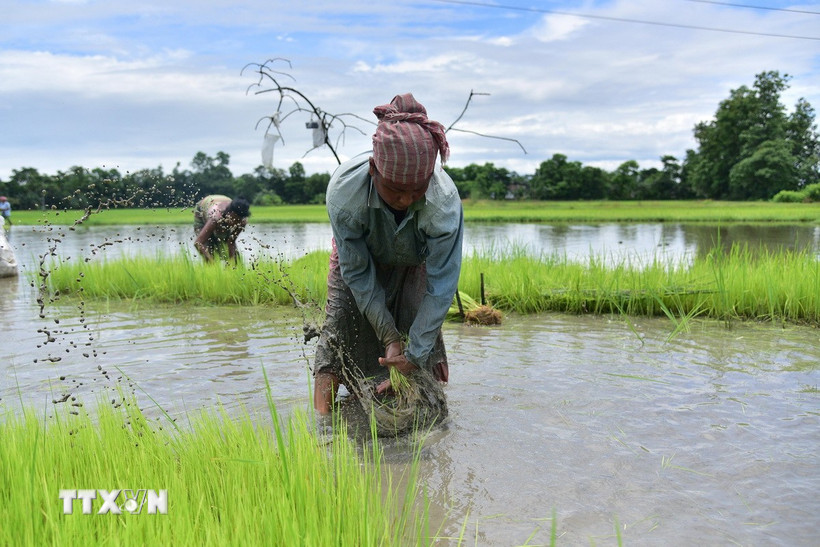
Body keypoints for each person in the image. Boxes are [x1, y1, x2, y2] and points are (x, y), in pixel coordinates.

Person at [313, 93, 464, 416]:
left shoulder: (443, 204)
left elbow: (442, 287)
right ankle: (323, 423)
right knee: (340, 325)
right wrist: (388, 336)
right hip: (358, 259)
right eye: (395, 190)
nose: (406, 200)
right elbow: (358, 274)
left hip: (415, 260)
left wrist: (410, 352)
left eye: (416, 190)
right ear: (373, 169)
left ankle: (433, 415)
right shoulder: (345, 195)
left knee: (422, 334)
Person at [193, 195, 250, 262]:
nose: (235, 223)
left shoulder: (242, 221)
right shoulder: (215, 217)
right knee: (208, 250)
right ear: (229, 213)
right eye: (234, 219)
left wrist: (232, 263)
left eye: (238, 221)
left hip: (220, 203)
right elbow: (198, 243)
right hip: (202, 208)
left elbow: (231, 241)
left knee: (236, 259)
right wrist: (211, 261)